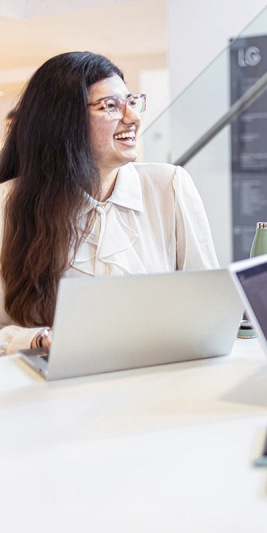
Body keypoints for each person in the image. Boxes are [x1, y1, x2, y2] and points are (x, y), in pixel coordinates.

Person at [0, 52, 218, 356]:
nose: (133, 117)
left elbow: (210, 304)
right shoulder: (7, 204)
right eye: (110, 106)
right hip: (49, 387)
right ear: (63, 120)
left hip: (154, 376)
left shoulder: (169, 186)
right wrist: (40, 339)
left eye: (131, 102)